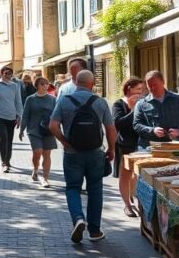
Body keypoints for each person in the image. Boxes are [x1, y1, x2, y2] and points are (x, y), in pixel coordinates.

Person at [48, 70, 116, 244]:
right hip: (95, 153)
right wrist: (112, 149)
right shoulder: (100, 102)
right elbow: (110, 129)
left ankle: (78, 218)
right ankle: (94, 231)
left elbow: (53, 125)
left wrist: (64, 142)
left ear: (76, 83)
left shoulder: (64, 101)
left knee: (72, 188)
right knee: (95, 189)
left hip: (72, 153)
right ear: (92, 84)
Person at [132, 70, 179, 148]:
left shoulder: (178, 100)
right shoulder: (141, 104)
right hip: (149, 148)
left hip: (175, 146)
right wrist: (152, 130)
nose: (153, 88)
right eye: (150, 86)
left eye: (155, 85)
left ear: (163, 82)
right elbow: (136, 125)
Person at [113, 77, 146, 217]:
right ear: (129, 89)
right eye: (138, 89)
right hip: (125, 144)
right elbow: (119, 123)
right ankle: (127, 205)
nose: (141, 93)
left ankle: (131, 198)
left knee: (136, 175)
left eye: (142, 90)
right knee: (125, 175)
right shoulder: (119, 104)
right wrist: (133, 110)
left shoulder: (144, 102)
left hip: (141, 144)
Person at [19, 76, 57, 187]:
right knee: (37, 152)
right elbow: (25, 116)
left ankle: (45, 178)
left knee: (47, 154)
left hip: (47, 130)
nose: (45, 86)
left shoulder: (52, 99)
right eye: (42, 84)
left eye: (47, 84)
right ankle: (36, 168)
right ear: (37, 86)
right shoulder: (30, 99)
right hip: (33, 129)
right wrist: (21, 130)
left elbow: (56, 116)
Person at [0, 66, 23, 172]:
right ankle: (4, 162)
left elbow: (18, 102)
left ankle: (8, 160)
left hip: (12, 117)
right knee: (4, 138)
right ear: (1, 74)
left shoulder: (15, 86)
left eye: (10, 73)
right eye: (6, 73)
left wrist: (20, 116)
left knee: (9, 140)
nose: (8, 75)